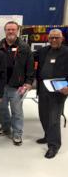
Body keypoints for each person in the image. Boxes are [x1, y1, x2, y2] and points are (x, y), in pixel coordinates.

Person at [0, 21, 34, 146]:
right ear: (5, 31)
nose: (10, 31)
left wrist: (28, 82)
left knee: (17, 111)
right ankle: (6, 128)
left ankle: (17, 133)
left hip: (17, 86)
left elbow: (30, 66)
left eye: (13, 29)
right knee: (2, 109)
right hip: (1, 86)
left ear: (17, 30)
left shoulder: (24, 47)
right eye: (8, 29)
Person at [35, 29, 68, 158]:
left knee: (54, 118)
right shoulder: (44, 51)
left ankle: (53, 146)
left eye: (56, 38)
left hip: (59, 90)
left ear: (62, 38)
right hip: (43, 88)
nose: (54, 40)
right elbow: (28, 56)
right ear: (48, 39)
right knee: (43, 115)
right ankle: (48, 136)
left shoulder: (67, 52)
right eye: (51, 38)